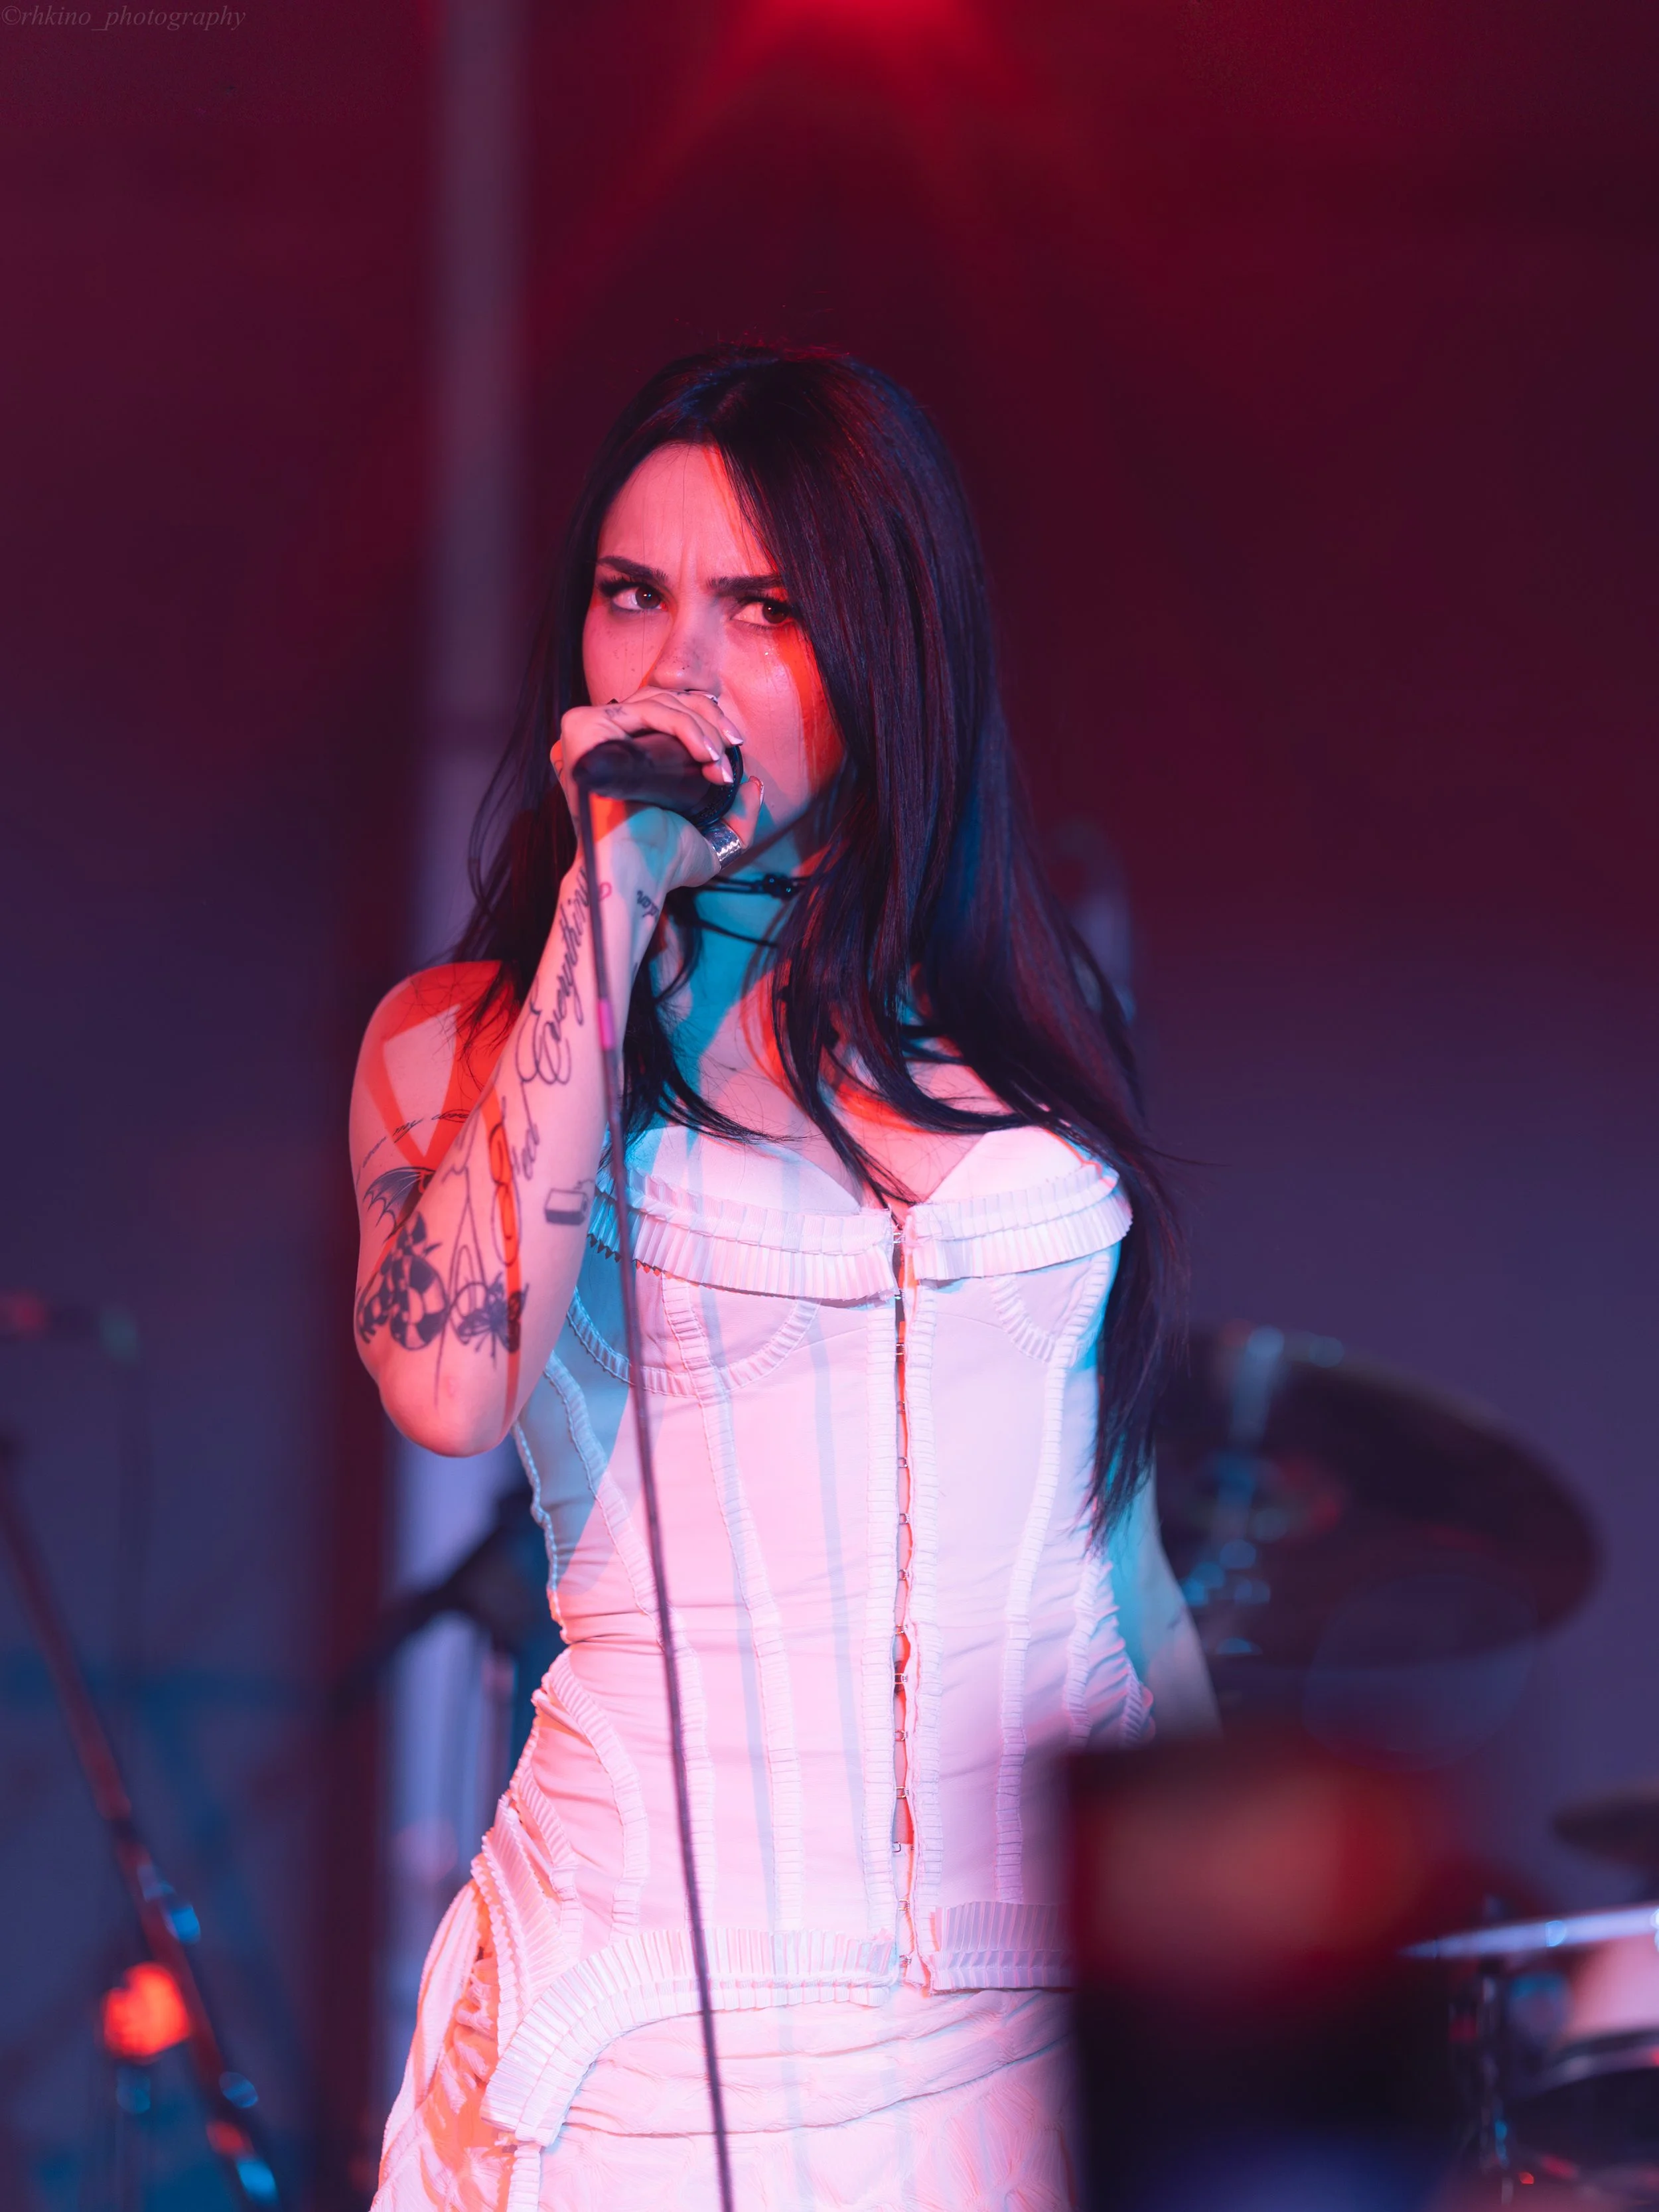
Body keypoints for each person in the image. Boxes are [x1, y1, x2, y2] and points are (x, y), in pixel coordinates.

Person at [351, 346, 1217, 2212]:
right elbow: (446, 1388)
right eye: (631, 596)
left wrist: (1222, 1987)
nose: (681, 669)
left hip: (1029, 2033)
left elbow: (1121, 1565)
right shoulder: (465, 1043)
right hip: (654, 2033)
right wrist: (611, 884)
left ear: (890, 651)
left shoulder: (1039, 1039)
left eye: (764, 610)